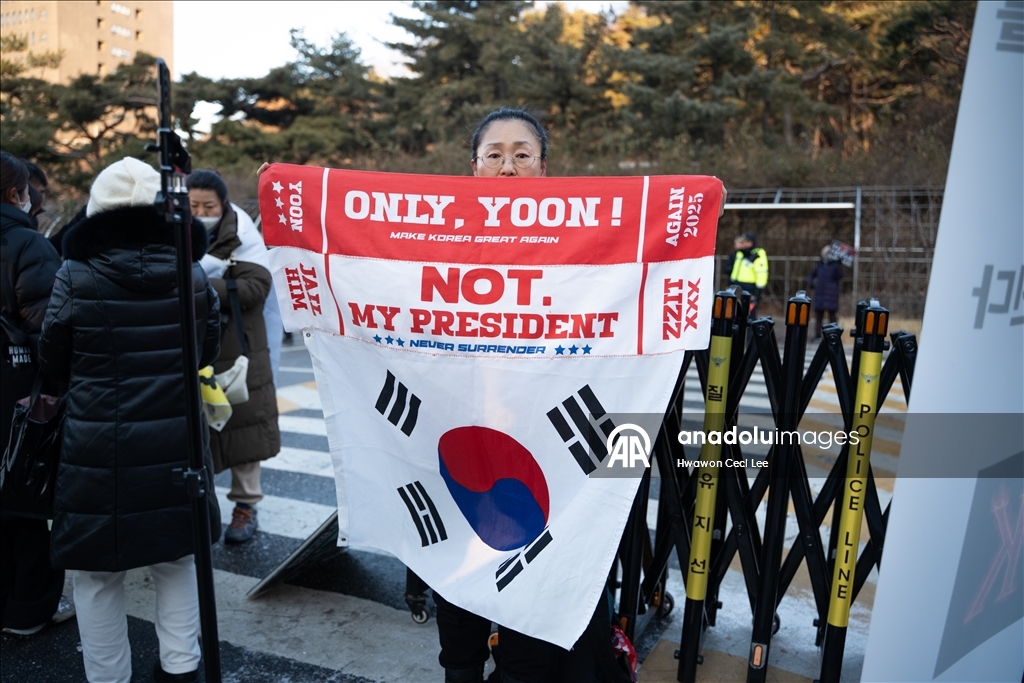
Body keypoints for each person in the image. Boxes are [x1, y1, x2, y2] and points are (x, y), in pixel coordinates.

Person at [38, 157, 221, 683]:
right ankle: (182, 669)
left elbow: (53, 359)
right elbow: (205, 350)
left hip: (96, 448)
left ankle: (108, 676)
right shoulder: (192, 275)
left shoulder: (75, 274)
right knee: (178, 559)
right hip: (176, 443)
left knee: (96, 576)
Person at [187, 169, 280, 544]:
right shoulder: (170, 230)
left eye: (208, 205)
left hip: (238, 348)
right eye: (193, 205)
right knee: (197, 435)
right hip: (193, 350)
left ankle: (246, 507)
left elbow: (256, 287)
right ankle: (200, 508)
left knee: (243, 431)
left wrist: (197, 284)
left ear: (223, 205)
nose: (201, 212)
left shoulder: (242, 233)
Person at [0, 152, 68, 636]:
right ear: (14, 194)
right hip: (15, 397)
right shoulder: (27, 244)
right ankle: (26, 611)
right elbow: (51, 330)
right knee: (22, 505)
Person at [725, 232, 769, 317]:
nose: (742, 244)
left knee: (749, 315)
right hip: (736, 285)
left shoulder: (757, 255)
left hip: (749, 288)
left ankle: (749, 330)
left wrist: (758, 291)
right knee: (733, 314)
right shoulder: (740, 253)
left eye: (744, 242)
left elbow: (761, 274)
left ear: (750, 242)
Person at [807, 244, 844, 340]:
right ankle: (817, 335)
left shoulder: (834, 265)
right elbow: (811, 274)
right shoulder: (820, 265)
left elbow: (839, 276)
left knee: (832, 316)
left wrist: (839, 265)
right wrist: (810, 283)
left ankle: (833, 334)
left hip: (831, 294)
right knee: (819, 316)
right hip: (820, 293)